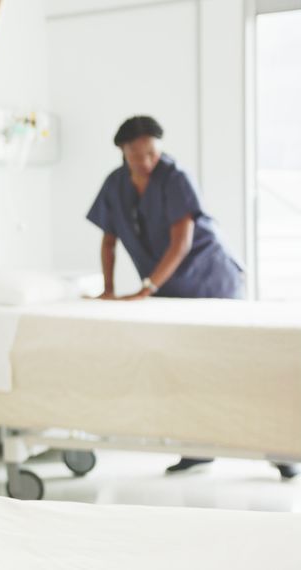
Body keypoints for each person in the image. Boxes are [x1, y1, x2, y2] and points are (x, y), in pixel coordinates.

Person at [86, 115, 296, 479]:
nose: (146, 162)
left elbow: (182, 240)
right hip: (168, 291)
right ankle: (197, 448)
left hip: (212, 282)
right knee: (184, 368)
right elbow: (108, 239)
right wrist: (108, 288)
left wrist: (146, 287)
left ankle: (281, 450)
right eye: (137, 155)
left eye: (151, 153)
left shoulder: (175, 177)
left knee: (240, 366)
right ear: (123, 152)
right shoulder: (115, 185)